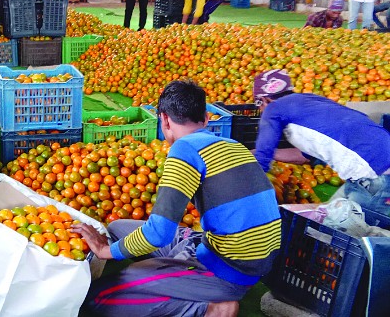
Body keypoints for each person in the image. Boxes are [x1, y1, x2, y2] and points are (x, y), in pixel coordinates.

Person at [72, 80, 282, 317]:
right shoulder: (234, 145)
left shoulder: (184, 150)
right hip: (236, 253)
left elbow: (158, 233)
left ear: (165, 120)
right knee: (118, 227)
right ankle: (189, 271)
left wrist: (104, 251)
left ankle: (211, 306)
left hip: (228, 270)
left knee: (99, 298)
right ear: (205, 118)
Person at [252, 69, 390, 215]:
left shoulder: (273, 108)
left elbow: (262, 158)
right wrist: (259, 153)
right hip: (387, 174)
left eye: (258, 106)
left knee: (344, 235)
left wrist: (248, 196)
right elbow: (304, 156)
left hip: (376, 179)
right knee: (326, 218)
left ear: (264, 100)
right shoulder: (308, 101)